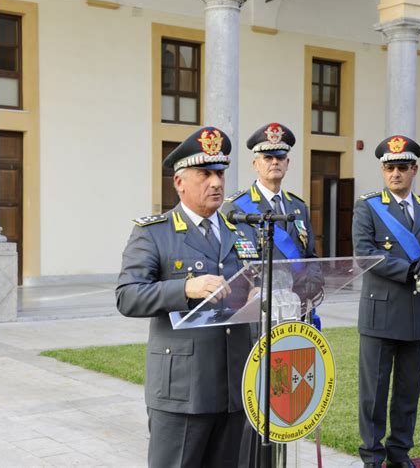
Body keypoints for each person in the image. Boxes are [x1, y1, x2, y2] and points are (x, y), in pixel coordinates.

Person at [116, 126, 259, 468]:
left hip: (235, 387)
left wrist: (260, 292)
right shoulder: (154, 233)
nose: (216, 183)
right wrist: (184, 288)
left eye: (220, 173)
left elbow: (253, 282)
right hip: (183, 389)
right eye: (205, 174)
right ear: (179, 182)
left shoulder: (241, 230)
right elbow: (127, 295)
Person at [352, 135, 420, 468]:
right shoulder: (368, 206)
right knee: (373, 394)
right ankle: (373, 457)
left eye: (402, 167)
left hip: (415, 313)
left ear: (414, 169)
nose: (395, 173)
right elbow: (364, 254)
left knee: (407, 392)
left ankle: (400, 453)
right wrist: (413, 267)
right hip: (380, 313)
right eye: (389, 167)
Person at [222, 122, 322, 313]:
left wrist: (312, 285)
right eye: (268, 157)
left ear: (287, 163)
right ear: (255, 164)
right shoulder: (236, 207)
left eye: (280, 157)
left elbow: (311, 256)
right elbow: (235, 262)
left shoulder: (298, 206)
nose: (275, 162)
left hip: (297, 304)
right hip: (260, 306)